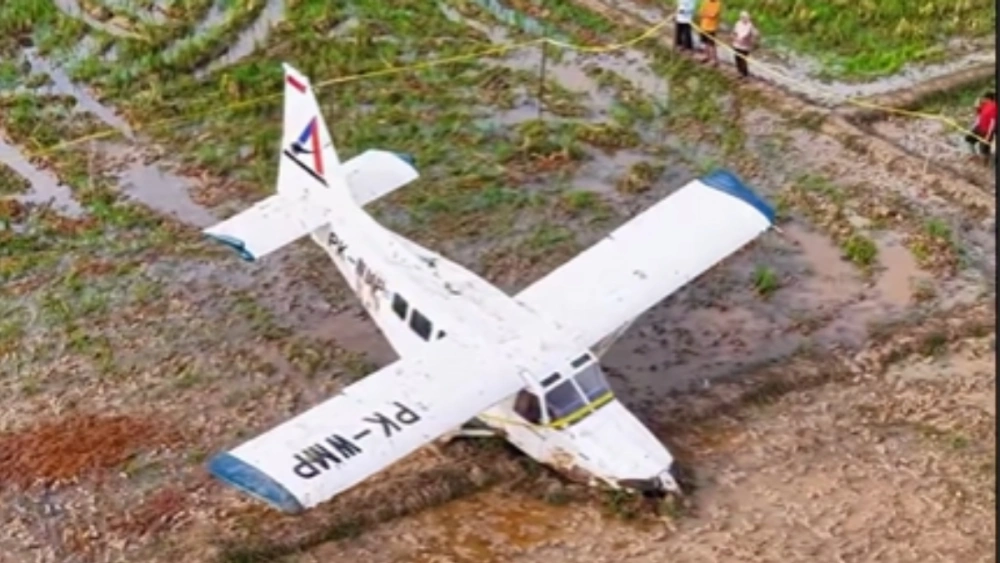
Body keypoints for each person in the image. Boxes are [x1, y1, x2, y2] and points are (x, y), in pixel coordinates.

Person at [965, 91, 996, 165]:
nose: (983, 99)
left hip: (986, 131)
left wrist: (988, 135)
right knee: (968, 139)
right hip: (979, 128)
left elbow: (993, 122)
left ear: (988, 98)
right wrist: (976, 103)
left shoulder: (994, 107)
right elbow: (978, 112)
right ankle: (974, 155)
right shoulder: (985, 105)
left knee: (984, 150)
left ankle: (985, 165)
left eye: (984, 98)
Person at [731, 11, 758, 79]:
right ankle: (739, 72)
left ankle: (744, 74)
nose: (744, 19)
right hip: (737, 45)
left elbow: (755, 34)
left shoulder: (750, 25)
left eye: (745, 17)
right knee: (737, 59)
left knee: (743, 60)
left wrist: (753, 42)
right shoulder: (738, 23)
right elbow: (734, 32)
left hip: (745, 46)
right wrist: (733, 38)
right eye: (742, 17)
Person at [697, 0, 722, 65]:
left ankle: (714, 59)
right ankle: (705, 56)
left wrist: (705, 13)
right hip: (703, 26)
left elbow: (713, 14)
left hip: (712, 28)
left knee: (711, 44)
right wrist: (705, 13)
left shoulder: (718, 3)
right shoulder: (705, 1)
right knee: (704, 43)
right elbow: (700, 12)